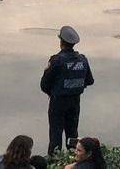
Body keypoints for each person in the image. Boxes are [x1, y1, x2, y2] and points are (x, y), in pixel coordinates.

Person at [41, 26, 94, 157]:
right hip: (75, 101)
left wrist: (52, 91)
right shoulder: (82, 59)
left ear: (61, 43)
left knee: (56, 133)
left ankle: (55, 160)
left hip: (58, 101)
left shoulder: (57, 60)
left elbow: (44, 84)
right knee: (72, 133)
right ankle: (73, 158)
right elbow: (89, 80)